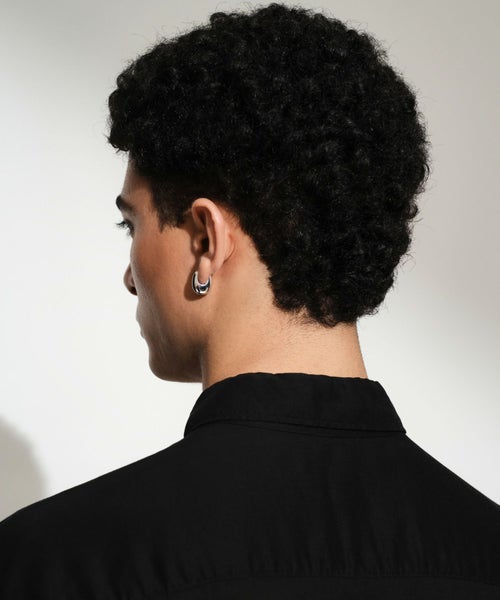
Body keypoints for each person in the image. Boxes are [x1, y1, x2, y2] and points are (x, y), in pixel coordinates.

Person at [0, 2, 498, 598]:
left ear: (206, 240)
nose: (130, 277)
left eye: (131, 226)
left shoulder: (53, 560)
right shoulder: (483, 548)